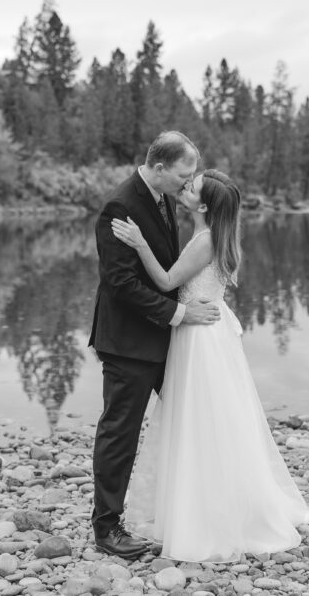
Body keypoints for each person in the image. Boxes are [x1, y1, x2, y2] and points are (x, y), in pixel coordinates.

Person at [112, 168, 309, 563]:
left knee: (200, 420)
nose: (185, 185)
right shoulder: (215, 236)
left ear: (203, 205)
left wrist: (140, 244)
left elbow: (165, 281)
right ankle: (216, 501)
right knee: (217, 418)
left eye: (192, 186)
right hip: (211, 331)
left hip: (200, 337)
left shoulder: (205, 240)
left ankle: (207, 514)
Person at [88, 131, 222, 559]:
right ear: (159, 167)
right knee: (120, 434)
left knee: (193, 418)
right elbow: (121, 284)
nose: (188, 183)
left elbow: (167, 268)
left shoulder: (163, 197)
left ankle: (197, 511)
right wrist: (181, 314)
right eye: (183, 174)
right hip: (129, 341)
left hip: (166, 338)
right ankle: (107, 529)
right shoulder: (121, 206)